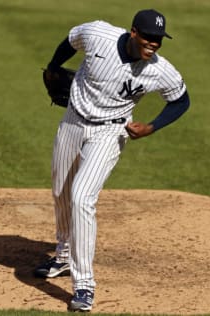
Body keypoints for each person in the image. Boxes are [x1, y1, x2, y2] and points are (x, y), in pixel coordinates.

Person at [34, 8, 190, 312]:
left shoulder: (159, 70)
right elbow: (71, 39)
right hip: (72, 122)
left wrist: (151, 127)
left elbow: (181, 100)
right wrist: (55, 65)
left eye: (158, 39)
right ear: (133, 32)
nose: (154, 44)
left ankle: (84, 286)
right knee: (61, 192)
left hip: (110, 133)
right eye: (148, 37)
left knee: (82, 197)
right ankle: (64, 254)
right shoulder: (98, 35)